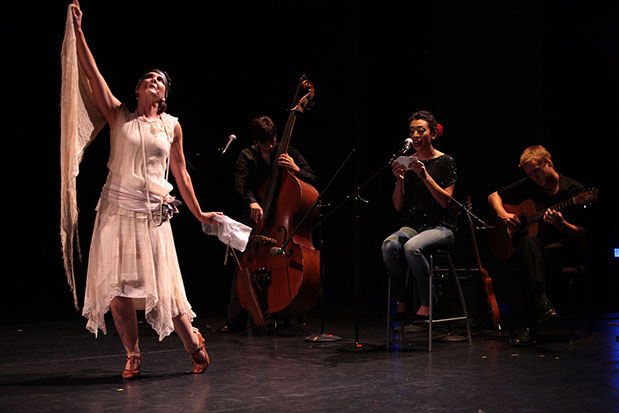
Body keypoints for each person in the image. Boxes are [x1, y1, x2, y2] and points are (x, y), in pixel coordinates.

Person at [68, 1, 221, 378]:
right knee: (117, 288)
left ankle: (193, 344)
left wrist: (199, 213)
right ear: (137, 88)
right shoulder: (118, 114)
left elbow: (181, 174)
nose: (154, 81)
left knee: (164, 290)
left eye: (160, 81)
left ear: (164, 94)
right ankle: (133, 354)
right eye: (148, 78)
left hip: (152, 216)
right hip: (116, 211)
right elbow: (93, 74)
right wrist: (79, 32)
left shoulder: (171, 125)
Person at [219, 116, 318, 333]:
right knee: (245, 262)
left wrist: (296, 169)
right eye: (265, 143)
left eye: (272, 141)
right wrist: (252, 202)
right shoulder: (247, 156)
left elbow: (312, 179)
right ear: (255, 141)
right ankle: (234, 320)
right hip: (255, 217)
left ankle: (284, 312)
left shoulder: (289, 153)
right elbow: (240, 184)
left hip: (283, 221)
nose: (271, 146)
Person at [488, 145, 589, 346]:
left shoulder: (574, 191)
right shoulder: (530, 184)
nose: (534, 177)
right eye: (530, 174)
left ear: (549, 163)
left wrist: (562, 225)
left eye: (537, 171)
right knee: (527, 243)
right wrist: (503, 213)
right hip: (537, 250)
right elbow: (493, 196)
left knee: (526, 260)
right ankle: (542, 302)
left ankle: (526, 328)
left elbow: (583, 233)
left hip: (563, 251)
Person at [381, 111, 457, 321]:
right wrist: (399, 180)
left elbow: (445, 201)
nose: (415, 135)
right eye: (412, 130)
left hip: (441, 227)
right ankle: (403, 299)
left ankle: (429, 301)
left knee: (411, 248)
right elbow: (398, 206)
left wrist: (425, 176)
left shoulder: (446, 161)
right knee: (388, 247)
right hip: (414, 226)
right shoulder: (407, 161)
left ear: (433, 134)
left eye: (420, 130)